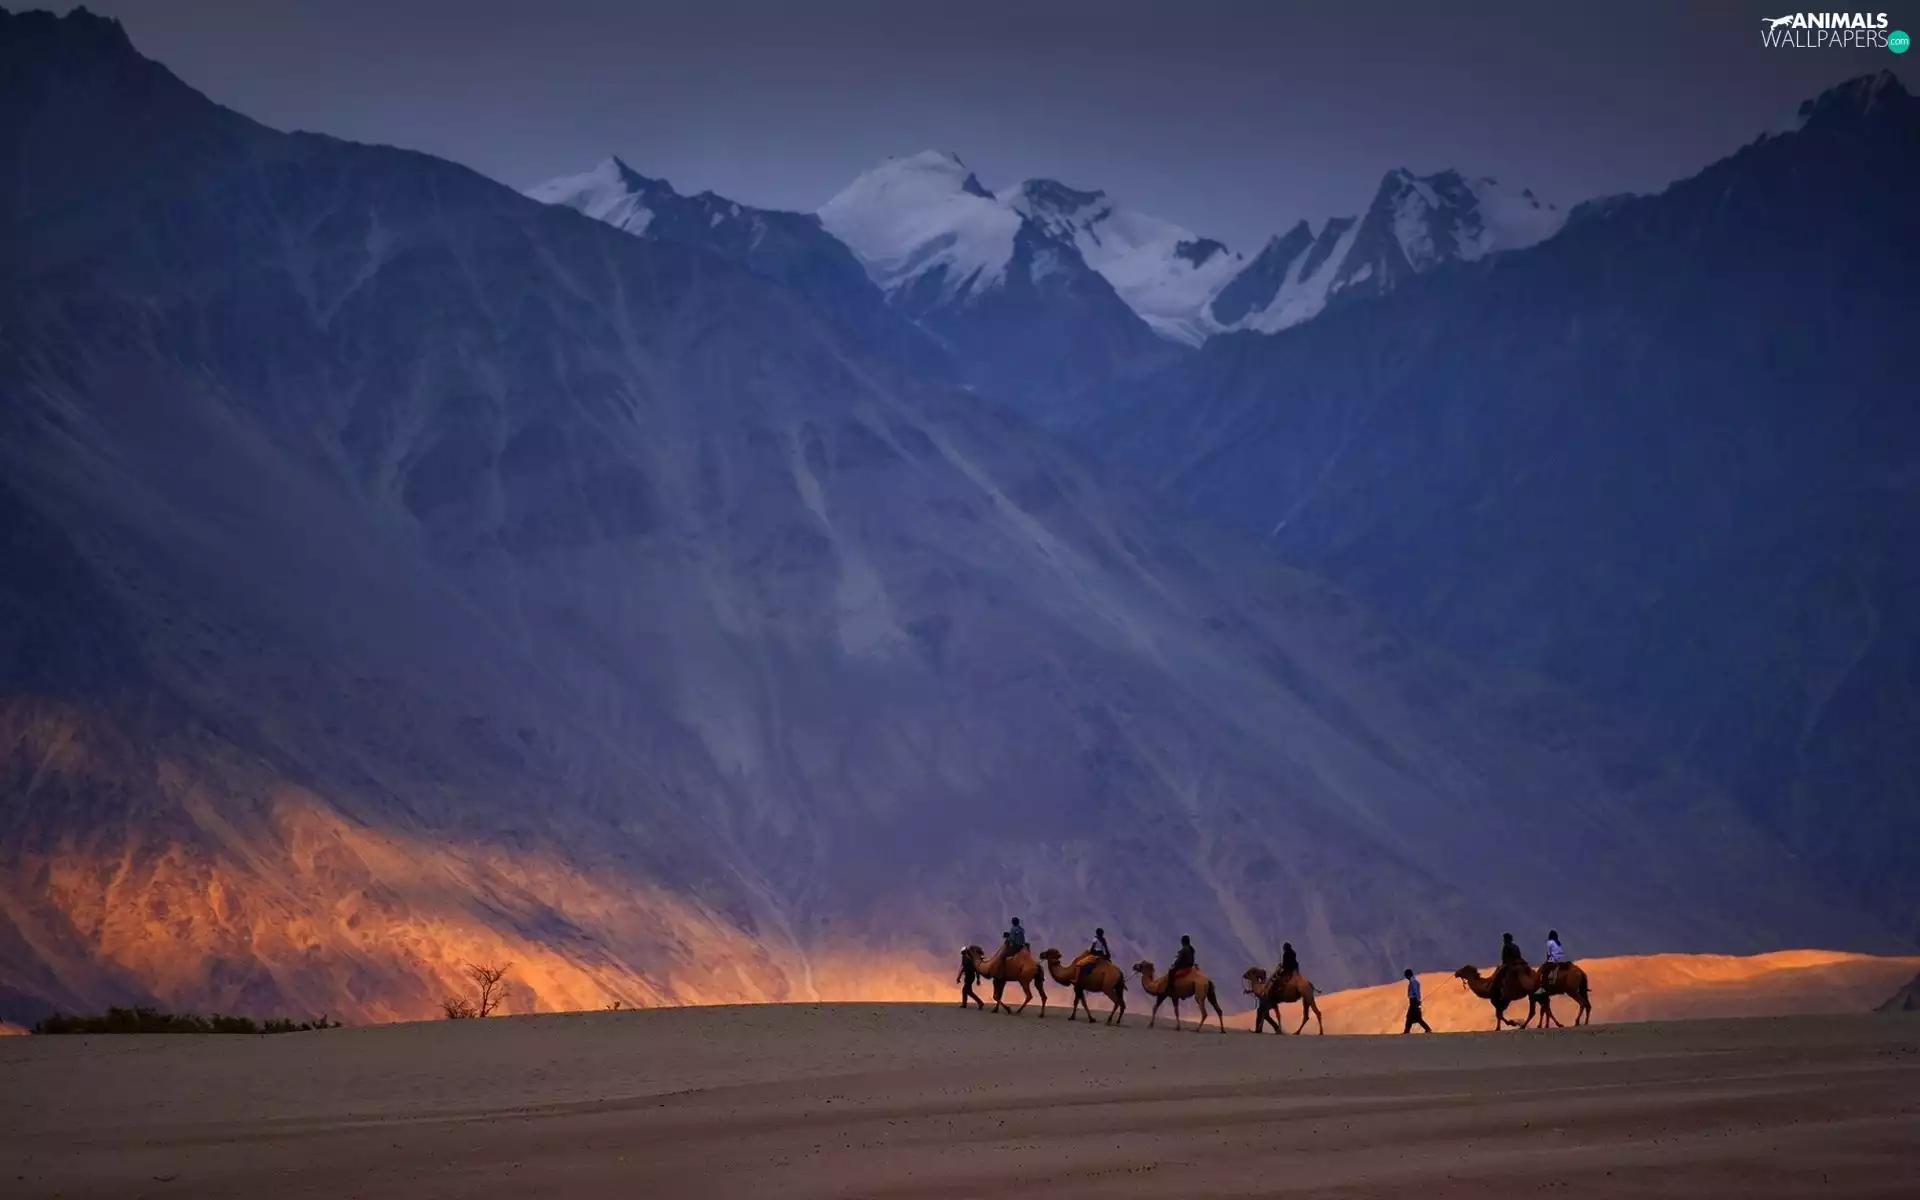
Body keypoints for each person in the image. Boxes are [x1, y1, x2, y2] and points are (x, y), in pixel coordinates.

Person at [1491, 931, 1526, 1000]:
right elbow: (1519, 956)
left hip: (1510, 964)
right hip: (1519, 963)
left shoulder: (1506, 947)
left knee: (1498, 975)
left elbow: (1504, 958)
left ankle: (1501, 992)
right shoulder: (1516, 946)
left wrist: (1503, 965)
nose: (1504, 940)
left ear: (1506, 939)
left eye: (1504, 939)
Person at [1402, 969, 1431, 1034]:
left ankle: (1427, 1029)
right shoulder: (1413, 981)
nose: (1406, 977)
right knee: (1413, 1017)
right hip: (1413, 1001)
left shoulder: (1413, 982)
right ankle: (1407, 1031)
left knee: (1412, 1017)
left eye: (1406, 976)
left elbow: (1416, 992)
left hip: (1414, 1001)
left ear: (1408, 975)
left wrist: (1418, 1000)